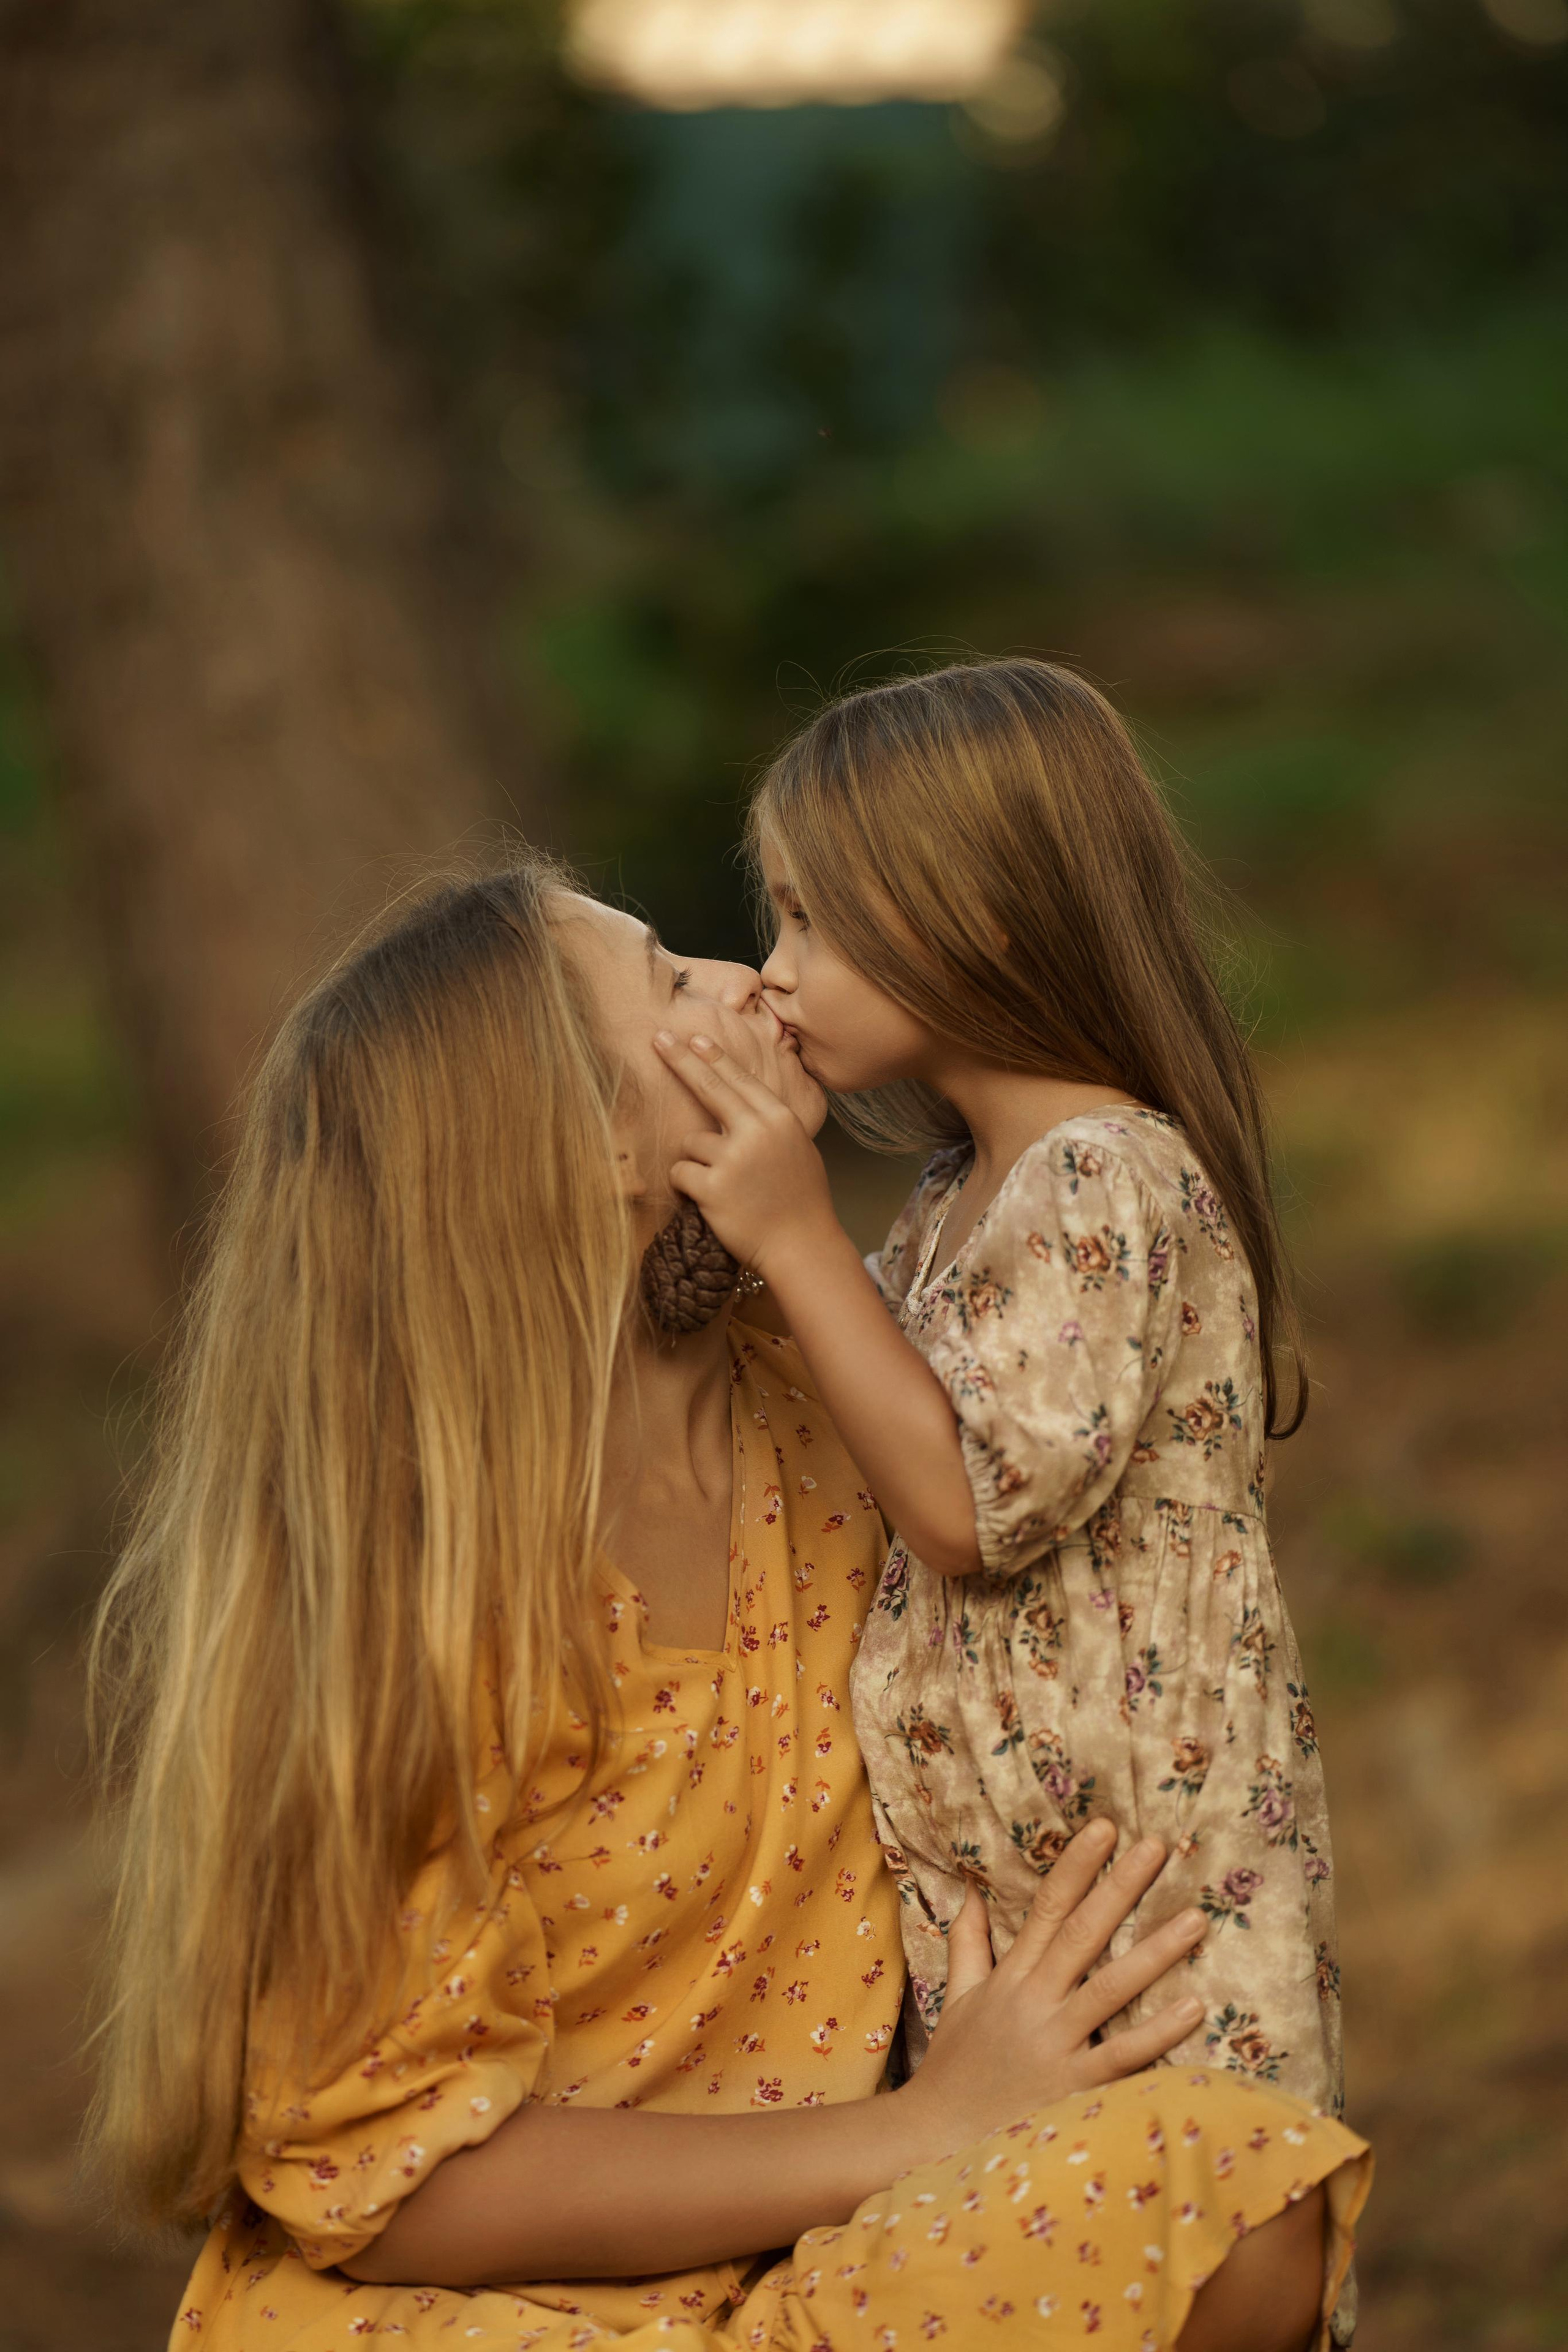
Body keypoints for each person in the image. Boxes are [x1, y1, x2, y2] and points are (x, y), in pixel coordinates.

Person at [89, 855, 1368, 2352]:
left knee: (1243, 2193)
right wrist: (921, 2130)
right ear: (577, 1144)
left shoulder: (829, 1404)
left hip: (820, 2279)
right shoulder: (418, 1598)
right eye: (669, 983)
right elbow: (393, 2180)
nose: (745, 978)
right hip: (485, 2316)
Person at [654, 658, 1361, 2333]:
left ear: (968, 912)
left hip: (1158, 1931)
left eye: (816, 926)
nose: (779, 972)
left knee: (1172, 2272)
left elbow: (970, 1506)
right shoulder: (953, 1198)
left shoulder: (1110, 1176)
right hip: (1018, 1923)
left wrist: (788, 1228)